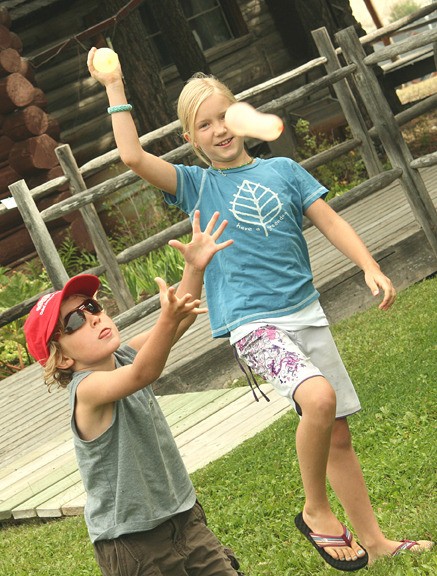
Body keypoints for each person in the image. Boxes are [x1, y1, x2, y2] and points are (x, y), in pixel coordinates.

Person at [88, 48, 434, 571]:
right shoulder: (196, 185)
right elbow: (133, 157)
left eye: (224, 117)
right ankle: (316, 510)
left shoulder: (286, 171)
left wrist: (368, 264)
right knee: (317, 400)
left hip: (306, 313)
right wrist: (115, 86)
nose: (219, 130)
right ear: (190, 138)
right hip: (254, 323)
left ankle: (376, 540)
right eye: (204, 125)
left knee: (336, 431)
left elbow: (330, 221)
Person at [24, 211, 245, 576]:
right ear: (60, 358)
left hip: (183, 517)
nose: (93, 317)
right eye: (75, 321)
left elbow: (181, 318)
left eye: (92, 306)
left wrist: (194, 268)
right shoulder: (88, 391)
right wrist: (167, 320)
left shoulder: (122, 355)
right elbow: (145, 372)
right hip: (132, 543)